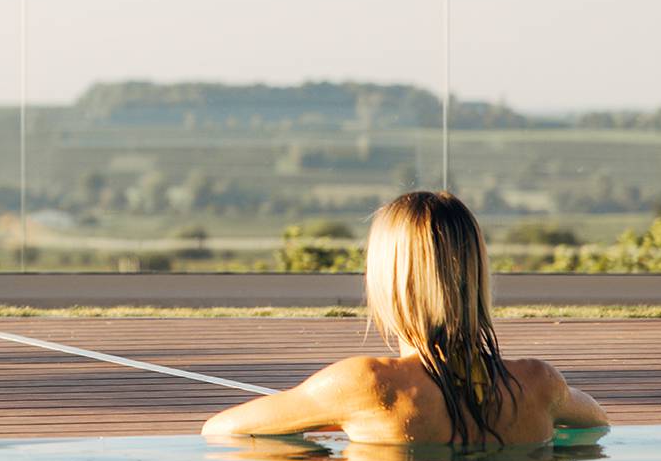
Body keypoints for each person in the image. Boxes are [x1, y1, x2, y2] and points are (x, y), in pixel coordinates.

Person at [202, 191, 609, 445]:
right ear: (476, 274)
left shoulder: (365, 385)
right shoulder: (537, 384)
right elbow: (595, 421)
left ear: (387, 280)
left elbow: (220, 430)